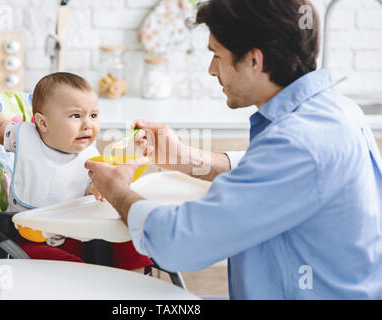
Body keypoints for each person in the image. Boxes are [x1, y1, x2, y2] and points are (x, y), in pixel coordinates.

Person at [84, 0, 382, 299]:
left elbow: (178, 242)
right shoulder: (333, 109)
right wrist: (187, 159)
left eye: (217, 54)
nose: (211, 70)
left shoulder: (298, 143)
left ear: (254, 60)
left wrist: (116, 189)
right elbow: (273, 178)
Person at [0, 72, 153, 273]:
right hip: (33, 238)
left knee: (129, 229)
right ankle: (87, 280)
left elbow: (104, 183)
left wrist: (131, 154)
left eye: (93, 115)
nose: (88, 124)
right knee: (54, 261)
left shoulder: (91, 157)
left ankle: (135, 280)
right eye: (76, 116)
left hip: (82, 235)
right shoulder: (25, 138)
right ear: (43, 123)